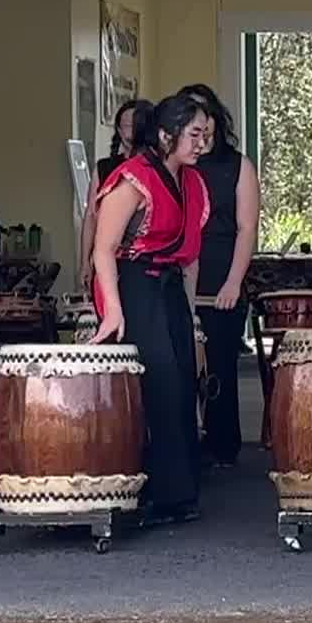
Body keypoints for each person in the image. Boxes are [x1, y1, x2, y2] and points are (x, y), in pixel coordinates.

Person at [90, 94, 212, 524]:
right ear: (166, 135)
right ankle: (148, 490)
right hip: (135, 286)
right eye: (194, 135)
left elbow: (189, 257)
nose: (201, 144)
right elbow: (103, 251)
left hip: (170, 286)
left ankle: (177, 493)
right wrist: (112, 310)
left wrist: (191, 311)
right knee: (156, 380)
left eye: (205, 135)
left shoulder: (192, 182)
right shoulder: (133, 178)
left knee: (181, 380)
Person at [179, 83, 262, 468]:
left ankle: (223, 450)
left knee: (221, 366)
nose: (200, 126)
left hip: (225, 272)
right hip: (184, 274)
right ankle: (186, 446)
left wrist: (233, 282)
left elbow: (247, 228)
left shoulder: (239, 165)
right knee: (181, 367)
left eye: (204, 114)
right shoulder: (180, 166)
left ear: (215, 118)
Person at [79, 98, 152, 291]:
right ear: (119, 130)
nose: (132, 131)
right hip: (109, 256)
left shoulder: (154, 169)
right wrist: (85, 261)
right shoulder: (105, 167)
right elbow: (91, 217)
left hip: (142, 261)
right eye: (127, 125)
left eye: (137, 125)